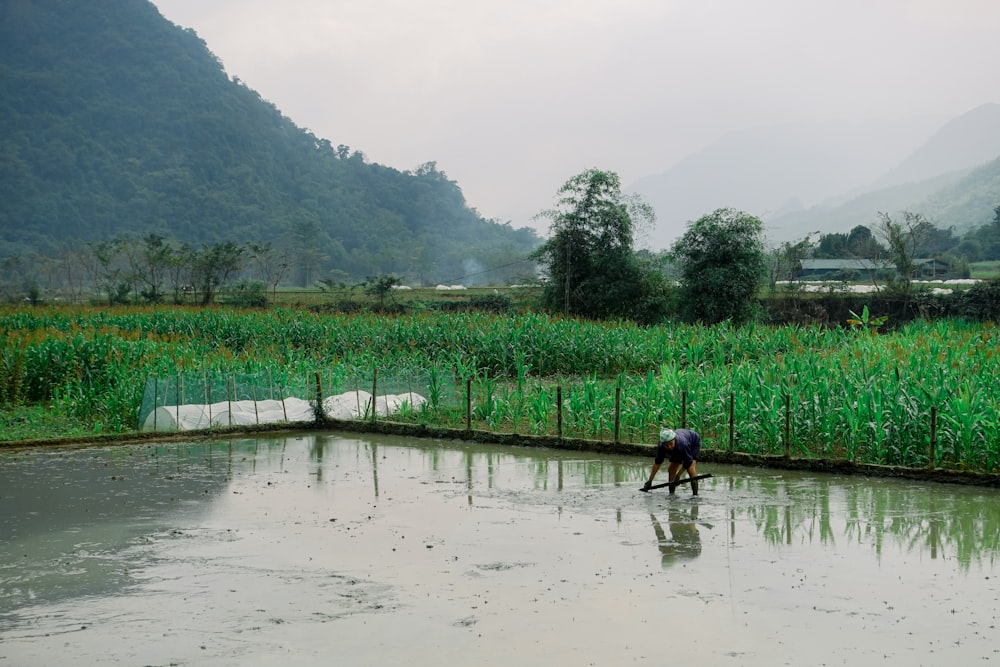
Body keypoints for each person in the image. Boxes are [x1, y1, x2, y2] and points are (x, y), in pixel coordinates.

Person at [643, 427, 702, 495]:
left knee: (690, 469)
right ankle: (671, 494)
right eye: (666, 445)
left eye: (671, 443)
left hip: (693, 442)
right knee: (671, 469)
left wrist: (678, 475)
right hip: (678, 446)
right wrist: (650, 481)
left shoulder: (682, 444)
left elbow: (688, 462)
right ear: (663, 444)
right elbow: (657, 463)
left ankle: (695, 495)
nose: (669, 447)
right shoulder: (661, 446)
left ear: (674, 439)